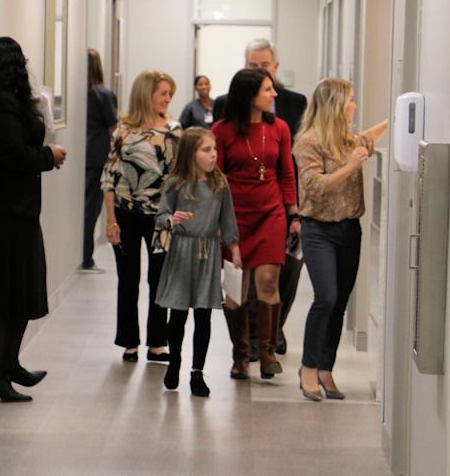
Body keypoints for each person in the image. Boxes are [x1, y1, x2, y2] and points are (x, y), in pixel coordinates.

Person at [0, 36, 67, 402]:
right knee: (0, 294)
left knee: (17, 290)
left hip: (6, 212)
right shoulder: (1, 103)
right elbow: (11, 154)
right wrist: (48, 155)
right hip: (3, 214)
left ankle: (7, 365)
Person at [292, 78, 388, 401]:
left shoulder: (346, 139)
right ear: (335, 104)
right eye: (350, 100)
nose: (354, 106)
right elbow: (315, 185)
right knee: (326, 298)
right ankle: (307, 368)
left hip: (349, 231)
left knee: (340, 302)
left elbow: (366, 139)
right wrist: (350, 166)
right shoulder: (308, 141)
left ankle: (325, 368)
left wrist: (394, 121)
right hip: (319, 230)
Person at [213, 38, 307, 359]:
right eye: (252, 66)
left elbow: (291, 166)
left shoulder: (291, 109)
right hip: (237, 210)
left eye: (264, 66)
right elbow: (216, 168)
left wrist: (293, 211)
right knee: (239, 280)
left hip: (276, 206)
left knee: (277, 276)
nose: (258, 72)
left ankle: (270, 336)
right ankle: (247, 344)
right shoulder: (224, 112)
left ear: (275, 67)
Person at [102, 70, 182, 363]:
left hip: (161, 218)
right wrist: (110, 221)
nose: (167, 98)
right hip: (125, 215)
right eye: (162, 92)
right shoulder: (123, 131)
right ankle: (129, 341)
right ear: (146, 94)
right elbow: (109, 178)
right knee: (128, 278)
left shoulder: (174, 130)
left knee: (159, 278)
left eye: (169, 93)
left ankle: (158, 342)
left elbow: (178, 176)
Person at [155, 127, 241, 397]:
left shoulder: (219, 184)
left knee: (203, 315)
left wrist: (234, 248)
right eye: (206, 150)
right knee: (178, 314)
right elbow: (161, 215)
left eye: (214, 149)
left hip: (208, 254)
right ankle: (175, 361)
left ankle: (197, 373)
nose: (213, 155)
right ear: (190, 154)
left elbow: (228, 219)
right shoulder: (175, 183)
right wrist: (171, 220)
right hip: (181, 253)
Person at [80, 49, 118, 273]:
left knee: (85, 208)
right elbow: (113, 127)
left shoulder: (80, 94)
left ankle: (83, 255)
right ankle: (86, 258)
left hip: (84, 156)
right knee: (90, 209)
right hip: (99, 157)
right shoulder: (102, 94)